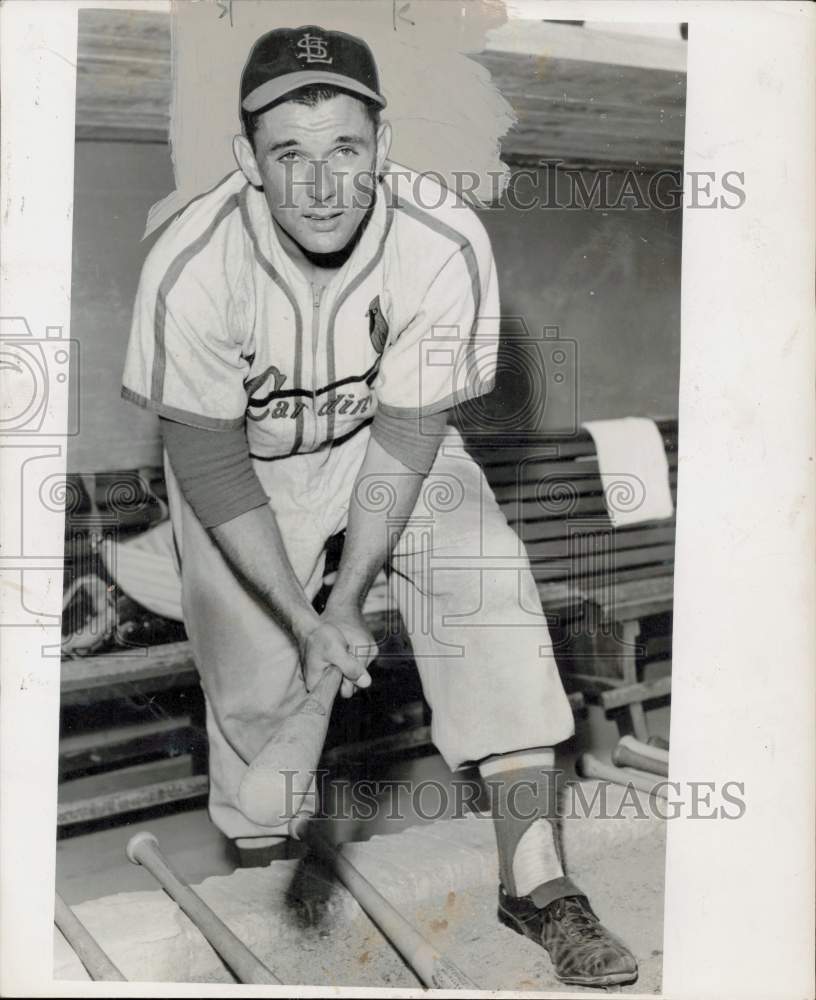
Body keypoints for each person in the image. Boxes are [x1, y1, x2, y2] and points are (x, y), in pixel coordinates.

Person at [122, 25, 638, 989]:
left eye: (345, 151)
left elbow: (406, 434)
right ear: (248, 161)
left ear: (382, 148)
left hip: (390, 448)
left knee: (489, 583)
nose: (322, 185)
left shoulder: (441, 240)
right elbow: (208, 458)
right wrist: (302, 619)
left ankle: (535, 880)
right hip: (247, 469)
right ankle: (264, 880)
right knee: (256, 686)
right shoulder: (192, 264)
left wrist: (347, 602)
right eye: (291, 155)